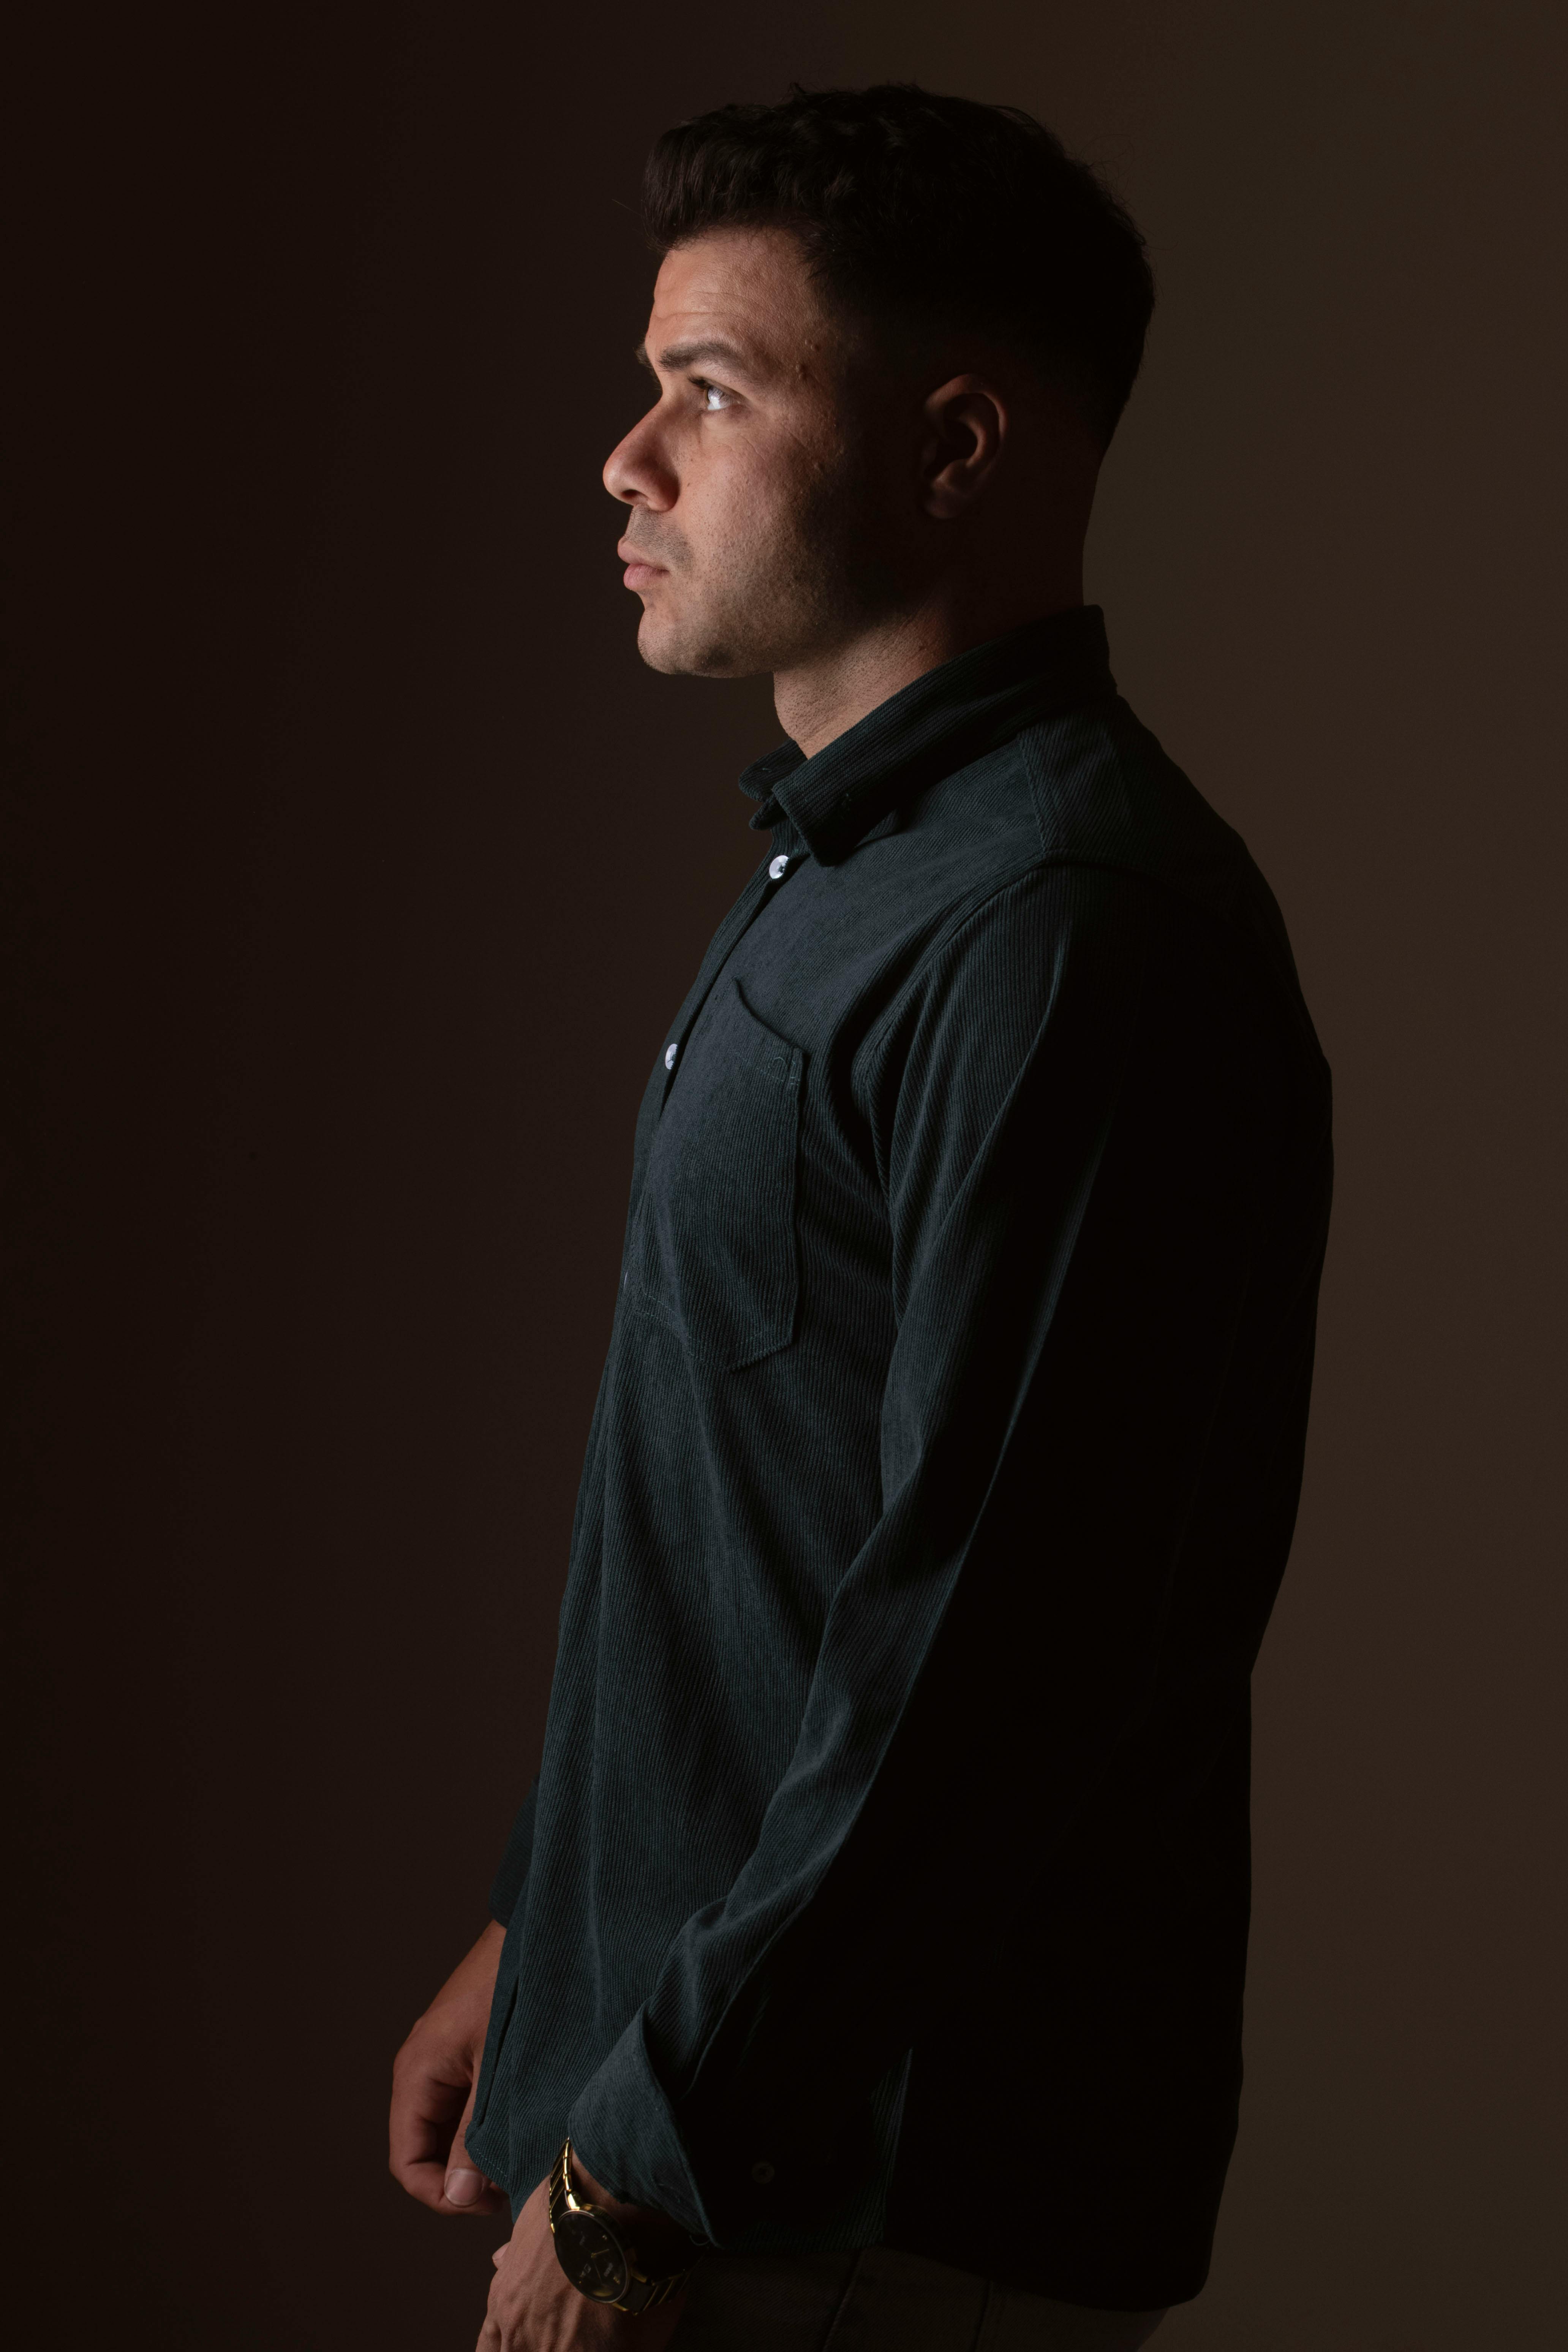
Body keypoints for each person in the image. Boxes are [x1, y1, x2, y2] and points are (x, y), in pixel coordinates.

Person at [387, 84, 1333, 2352]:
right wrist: (548, 1928)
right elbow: (756, 1520)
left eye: (712, 390)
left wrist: (640, 2160)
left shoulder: (1068, 927)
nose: (629, 458)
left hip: (843, 2204)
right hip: (717, 2124)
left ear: (955, 447)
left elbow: (987, 1666)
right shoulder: (863, 878)